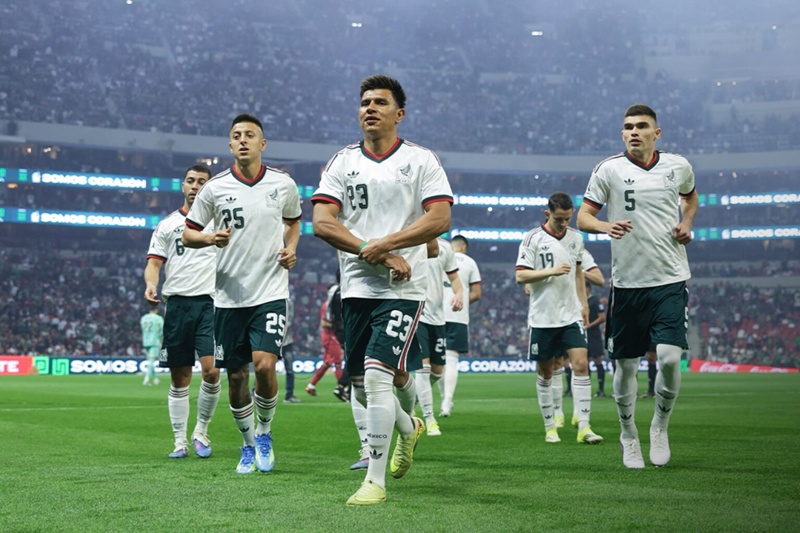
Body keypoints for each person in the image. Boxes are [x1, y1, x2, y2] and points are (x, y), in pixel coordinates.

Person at [312, 74, 453, 505]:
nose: (370, 108)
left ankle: (374, 481)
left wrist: (388, 245)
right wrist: (368, 249)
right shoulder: (342, 162)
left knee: (375, 377)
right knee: (360, 384)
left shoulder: (421, 160)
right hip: (355, 287)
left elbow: (439, 218)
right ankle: (409, 428)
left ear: (400, 113)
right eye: (364, 103)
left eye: (380, 102)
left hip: (403, 288)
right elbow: (322, 222)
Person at [577, 103, 698, 468]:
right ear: (622, 133)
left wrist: (686, 223)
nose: (634, 131)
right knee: (626, 366)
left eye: (641, 126)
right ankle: (628, 435)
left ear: (656, 133)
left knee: (670, 359)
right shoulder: (608, 169)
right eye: (628, 126)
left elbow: (690, 197)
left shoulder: (678, 166)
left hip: (670, 278)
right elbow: (584, 216)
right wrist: (605, 226)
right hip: (628, 284)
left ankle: (659, 427)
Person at [182, 113, 302, 474]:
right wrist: (210, 238)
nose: (243, 140)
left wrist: (291, 248)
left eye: (250, 135)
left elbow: (294, 221)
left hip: (270, 291)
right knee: (236, 377)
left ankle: (264, 432)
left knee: (265, 365)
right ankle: (248, 443)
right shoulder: (214, 188)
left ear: (262, 144)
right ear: (230, 145)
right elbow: (189, 233)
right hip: (228, 297)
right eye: (237, 136)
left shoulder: (283, 184)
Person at [144, 164, 221, 459]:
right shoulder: (167, 224)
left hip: (211, 303)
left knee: (212, 371)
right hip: (176, 304)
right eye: (190, 181)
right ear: (182, 186)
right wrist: (151, 284)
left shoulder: (219, 222)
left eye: (201, 182)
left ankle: (201, 431)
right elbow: (154, 263)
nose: (195, 186)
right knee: (180, 378)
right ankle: (180, 441)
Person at [515, 192, 603, 445]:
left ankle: (584, 426)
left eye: (567, 218)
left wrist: (583, 304)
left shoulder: (576, 238)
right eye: (559, 219)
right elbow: (521, 276)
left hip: (570, 314)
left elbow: (579, 273)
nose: (564, 223)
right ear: (547, 214)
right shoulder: (532, 238)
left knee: (581, 365)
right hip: (543, 317)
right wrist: (551, 271)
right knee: (546, 372)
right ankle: (550, 427)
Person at [551, 249, 605, 428]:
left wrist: (578, 270)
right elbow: (527, 284)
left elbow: (599, 280)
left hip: (574, 315)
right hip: (551, 313)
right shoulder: (544, 247)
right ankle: (557, 413)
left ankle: (578, 414)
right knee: (556, 363)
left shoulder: (580, 252)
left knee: (580, 363)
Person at [416, 238, 463, 436]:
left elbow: (454, 278)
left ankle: (414, 397)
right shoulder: (411, 241)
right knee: (423, 367)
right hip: (416, 313)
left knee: (437, 371)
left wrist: (459, 294)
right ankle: (429, 419)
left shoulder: (444, 247)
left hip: (438, 317)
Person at [440, 235, 481, 417]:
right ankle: (447, 402)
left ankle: (443, 398)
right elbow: (477, 293)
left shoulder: (440, 255)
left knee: (437, 362)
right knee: (451, 360)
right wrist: (460, 301)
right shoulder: (470, 262)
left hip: (436, 314)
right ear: (464, 247)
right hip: (457, 316)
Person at [305, 292, 345, 396]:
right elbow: (324, 323)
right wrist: (337, 325)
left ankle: (311, 386)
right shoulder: (327, 306)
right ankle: (341, 389)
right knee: (338, 362)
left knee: (327, 363)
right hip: (330, 337)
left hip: (328, 336)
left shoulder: (331, 305)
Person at [140, 305, 164, 386]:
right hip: (154, 341)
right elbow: (162, 329)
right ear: (156, 310)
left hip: (146, 340)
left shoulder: (143, 318)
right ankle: (146, 379)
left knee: (150, 361)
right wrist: (160, 338)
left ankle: (155, 379)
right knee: (151, 361)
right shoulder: (158, 318)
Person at [283, 296, 300, 403]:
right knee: (265, 368)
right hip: (274, 342)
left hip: (287, 342)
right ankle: (255, 392)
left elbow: (289, 321)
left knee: (290, 370)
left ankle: (289, 395)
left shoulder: (289, 302)